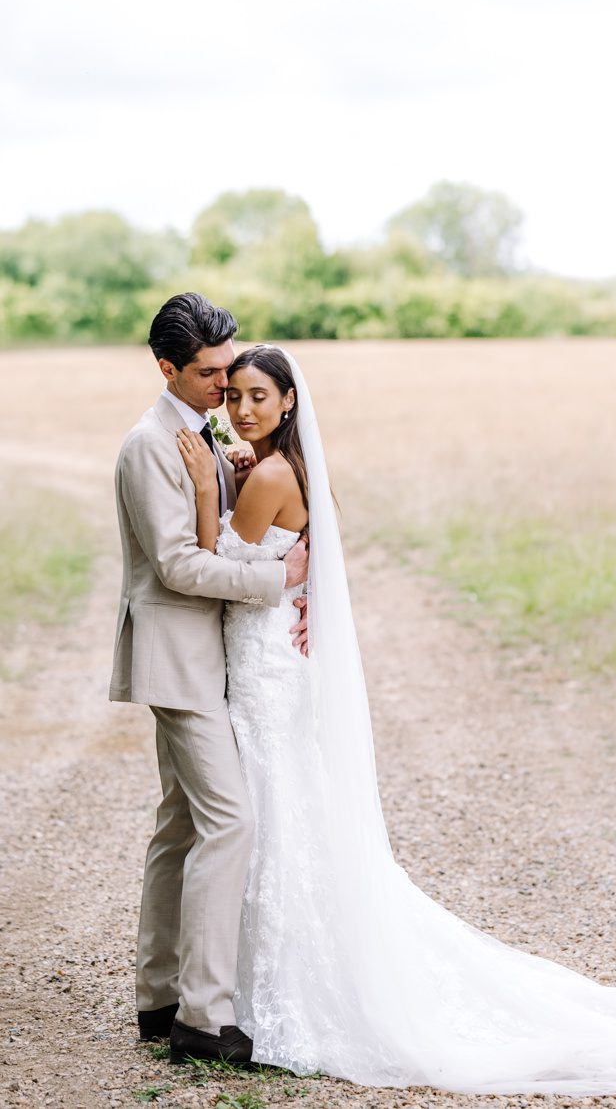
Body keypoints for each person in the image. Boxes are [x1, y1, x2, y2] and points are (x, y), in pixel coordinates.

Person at [175, 341, 616, 1097]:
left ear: (289, 403)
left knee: (273, 815)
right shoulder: (296, 469)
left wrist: (206, 491)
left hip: (263, 670)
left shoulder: (270, 474)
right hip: (280, 662)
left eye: (259, 397)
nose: (244, 409)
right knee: (287, 814)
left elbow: (218, 570)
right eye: (237, 396)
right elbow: (283, 556)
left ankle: (265, 991)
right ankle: (258, 982)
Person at [110, 295, 309, 1068]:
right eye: (211, 375)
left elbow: (224, 527)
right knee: (232, 821)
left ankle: (158, 999)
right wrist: (279, 581)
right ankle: (203, 1014)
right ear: (168, 370)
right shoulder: (147, 446)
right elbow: (178, 565)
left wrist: (227, 478)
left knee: (182, 824)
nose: (226, 391)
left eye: (234, 374)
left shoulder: (202, 433)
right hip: (180, 657)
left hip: (211, 654)